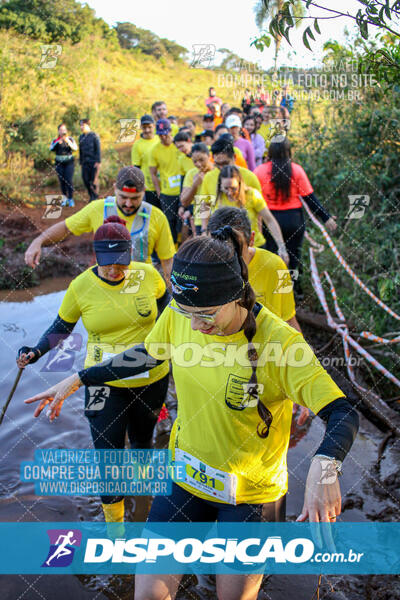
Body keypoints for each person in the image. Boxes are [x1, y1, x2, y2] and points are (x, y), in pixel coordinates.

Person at [25, 231, 359, 600]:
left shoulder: (281, 345)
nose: (196, 325)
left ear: (236, 295)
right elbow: (147, 355)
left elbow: (343, 411)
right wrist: (79, 377)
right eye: (187, 313)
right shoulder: (178, 314)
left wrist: (325, 464)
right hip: (184, 479)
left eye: (206, 315)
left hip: (250, 498)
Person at [20, 215, 170, 527]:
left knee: (143, 442)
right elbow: (61, 327)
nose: (116, 271)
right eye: (108, 265)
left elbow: (168, 312)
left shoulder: (148, 275)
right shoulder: (81, 287)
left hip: (150, 378)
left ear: (131, 254)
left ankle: (141, 506)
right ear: (95, 258)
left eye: (122, 263)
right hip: (102, 380)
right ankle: (115, 532)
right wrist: (35, 351)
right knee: (108, 456)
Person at [207, 206, 309, 425]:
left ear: (252, 239)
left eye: (237, 251)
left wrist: (303, 374)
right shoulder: (205, 269)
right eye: (222, 252)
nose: (230, 261)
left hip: (264, 365)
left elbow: (288, 319)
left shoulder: (275, 267)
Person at [24, 167, 175, 284]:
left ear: (144, 192)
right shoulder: (98, 209)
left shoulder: (156, 216)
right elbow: (66, 227)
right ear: (115, 188)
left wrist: (174, 297)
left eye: (135, 198)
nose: (128, 204)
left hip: (140, 285)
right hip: (106, 282)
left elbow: (168, 261)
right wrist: (38, 241)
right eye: (123, 197)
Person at [254, 138, 337, 282]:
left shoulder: (260, 171)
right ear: (288, 152)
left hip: (270, 220)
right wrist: (326, 218)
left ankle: (276, 290)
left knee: (273, 257)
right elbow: (310, 199)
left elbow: (253, 198)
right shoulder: (296, 170)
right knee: (293, 256)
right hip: (293, 220)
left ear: (270, 152)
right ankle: (294, 290)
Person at [202, 165, 289, 265]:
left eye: (233, 188)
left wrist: (282, 247)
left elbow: (269, 220)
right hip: (227, 251)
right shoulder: (218, 197)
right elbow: (203, 207)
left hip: (254, 247)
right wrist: (204, 231)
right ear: (220, 185)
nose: (229, 192)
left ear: (240, 184)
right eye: (226, 188)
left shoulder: (252, 195)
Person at [149, 119, 182, 244]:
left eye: (165, 133)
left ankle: (182, 246)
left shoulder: (179, 145)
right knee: (169, 220)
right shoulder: (155, 150)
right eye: (160, 134)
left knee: (183, 220)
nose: (163, 137)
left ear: (171, 132)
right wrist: (159, 192)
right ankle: (172, 248)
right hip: (167, 191)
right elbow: (152, 172)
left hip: (184, 189)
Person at [201, 138, 262, 205]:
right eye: (218, 165)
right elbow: (203, 208)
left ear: (235, 157)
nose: (222, 168)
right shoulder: (209, 177)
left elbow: (260, 207)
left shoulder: (249, 176)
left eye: (225, 164)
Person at [180, 142, 214, 235]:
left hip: (217, 218)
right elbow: (184, 201)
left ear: (209, 156)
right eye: (195, 161)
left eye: (202, 160)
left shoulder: (217, 172)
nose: (198, 164)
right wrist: (195, 185)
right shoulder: (192, 174)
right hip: (200, 220)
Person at [131, 115, 160, 209]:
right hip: (149, 185)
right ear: (141, 128)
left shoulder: (160, 140)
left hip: (164, 183)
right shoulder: (137, 145)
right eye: (144, 128)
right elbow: (136, 167)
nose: (147, 130)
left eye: (149, 127)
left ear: (154, 126)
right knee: (152, 211)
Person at [50, 123, 78, 207]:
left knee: (68, 180)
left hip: (69, 163)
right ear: (58, 131)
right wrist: (58, 142)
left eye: (64, 129)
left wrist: (67, 141)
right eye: (61, 130)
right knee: (62, 181)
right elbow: (51, 148)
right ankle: (64, 198)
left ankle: (70, 198)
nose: (63, 131)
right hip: (59, 163)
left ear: (66, 131)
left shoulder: (70, 139)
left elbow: (75, 148)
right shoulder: (55, 140)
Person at [79, 119, 101, 202]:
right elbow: (81, 151)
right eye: (80, 125)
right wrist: (81, 162)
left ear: (88, 126)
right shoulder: (81, 137)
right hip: (85, 162)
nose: (81, 127)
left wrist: (98, 161)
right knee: (85, 179)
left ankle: (94, 197)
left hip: (93, 162)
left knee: (93, 181)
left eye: (83, 125)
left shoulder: (94, 136)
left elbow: (98, 149)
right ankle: (92, 195)